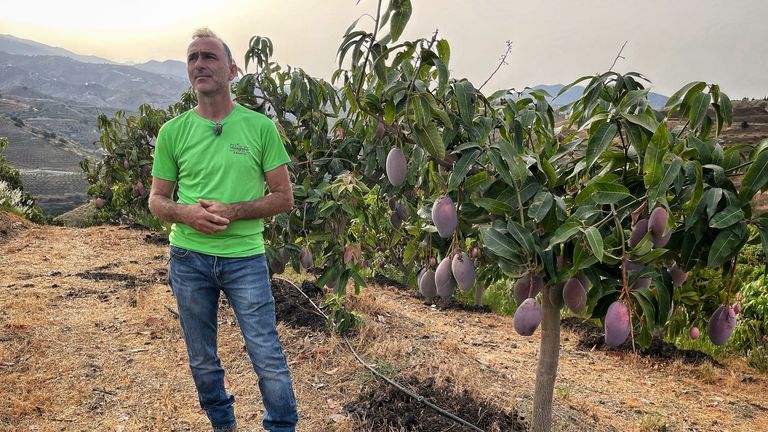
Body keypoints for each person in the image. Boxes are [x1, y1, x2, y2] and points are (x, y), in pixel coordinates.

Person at [148, 28, 298, 432]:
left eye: (210, 57)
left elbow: (284, 197)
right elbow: (157, 200)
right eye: (193, 57)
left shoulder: (260, 128)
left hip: (245, 258)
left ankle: (281, 427)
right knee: (201, 358)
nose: (200, 64)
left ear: (232, 69)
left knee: (266, 353)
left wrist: (234, 210)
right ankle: (223, 425)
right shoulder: (172, 132)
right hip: (188, 259)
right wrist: (187, 215)